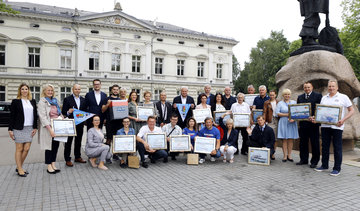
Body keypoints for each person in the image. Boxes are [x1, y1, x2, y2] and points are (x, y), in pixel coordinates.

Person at [314, 80, 354, 176]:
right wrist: (316, 118)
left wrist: (343, 120)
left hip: (337, 126)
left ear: (337, 87)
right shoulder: (324, 98)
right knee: (325, 147)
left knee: (337, 147)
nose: (331, 88)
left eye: (333, 86)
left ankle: (337, 168)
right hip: (325, 126)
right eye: (329, 86)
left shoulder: (343, 97)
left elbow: (351, 110)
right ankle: (324, 165)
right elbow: (321, 112)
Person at [8, 83, 38, 177]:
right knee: (19, 149)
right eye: (22, 89)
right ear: (20, 90)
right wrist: (10, 129)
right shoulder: (16, 101)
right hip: (18, 128)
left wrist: (35, 127)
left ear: (28, 90)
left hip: (29, 128)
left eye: (26, 89)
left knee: (27, 148)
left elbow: (35, 115)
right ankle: (20, 168)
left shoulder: (32, 101)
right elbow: (12, 116)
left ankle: (19, 166)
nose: (24, 91)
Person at [37, 84, 63, 174]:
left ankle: (53, 164)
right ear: (44, 91)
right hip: (48, 127)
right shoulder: (42, 102)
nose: (50, 92)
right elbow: (43, 117)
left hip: (57, 126)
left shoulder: (55, 101)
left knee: (56, 146)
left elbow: (58, 113)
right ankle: (48, 166)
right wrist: (50, 129)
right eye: (48, 90)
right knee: (48, 147)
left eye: (51, 90)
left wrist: (62, 117)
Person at [296, 82, 322, 168]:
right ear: (303, 88)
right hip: (303, 124)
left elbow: (320, 109)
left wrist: (314, 117)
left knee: (315, 143)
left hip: (314, 124)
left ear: (312, 87)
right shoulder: (300, 97)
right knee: (303, 143)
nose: (307, 89)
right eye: (305, 87)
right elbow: (298, 110)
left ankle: (314, 161)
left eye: (308, 87)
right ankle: (303, 159)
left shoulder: (318, 96)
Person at [61, 84, 87, 167]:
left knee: (78, 141)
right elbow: (64, 112)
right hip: (70, 123)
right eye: (76, 89)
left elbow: (85, 111)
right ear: (72, 89)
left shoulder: (83, 100)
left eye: (79, 89)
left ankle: (77, 157)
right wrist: (69, 112)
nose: (77, 91)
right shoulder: (67, 99)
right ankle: (67, 159)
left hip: (80, 123)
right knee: (68, 142)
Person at [275, 89, 299, 162]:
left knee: (290, 139)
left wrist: (293, 118)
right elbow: (277, 113)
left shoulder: (294, 102)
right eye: (285, 94)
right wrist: (287, 114)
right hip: (283, 122)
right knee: (284, 139)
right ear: (283, 95)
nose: (287, 96)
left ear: (290, 95)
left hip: (292, 122)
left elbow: (297, 112)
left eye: (288, 94)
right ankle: (285, 156)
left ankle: (290, 155)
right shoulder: (280, 103)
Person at [263, 89, 279, 159]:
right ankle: (268, 151)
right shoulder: (267, 102)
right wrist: (264, 120)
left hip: (278, 120)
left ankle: (273, 153)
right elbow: (264, 112)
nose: (272, 96)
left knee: (275, 138)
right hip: (270, 120)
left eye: (273, 95)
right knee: (269, 137)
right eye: (270, 95)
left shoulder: (278, 102)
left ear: (275, 95)